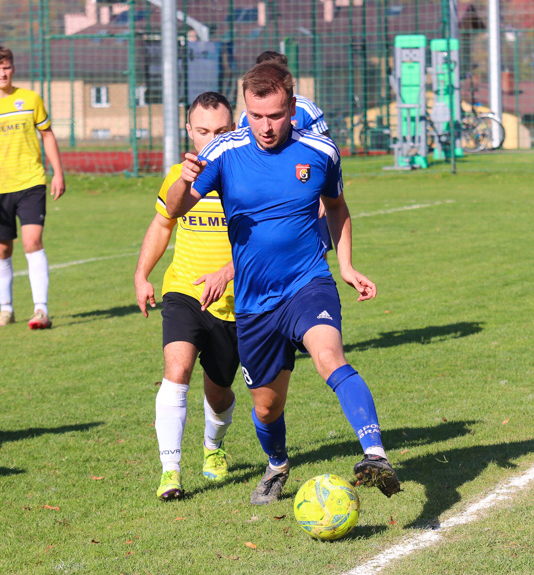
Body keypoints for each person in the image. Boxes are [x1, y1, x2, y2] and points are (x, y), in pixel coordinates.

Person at [165, 62, 401, 506]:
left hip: (308, 282)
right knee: (266, 408)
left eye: (274, 115)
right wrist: (184, 180)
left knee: (329, 356)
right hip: (254, 304)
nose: (266, 126)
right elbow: (174, 209)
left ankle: (375, 454)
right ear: (244, 110)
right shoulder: (223, 152)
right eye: (256, 116)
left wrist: (346, 266)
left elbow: (336, 207)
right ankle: (277, 464)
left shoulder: (320, 151)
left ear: (292, 108)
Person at [134, 92, 239, 500]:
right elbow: (163, 224)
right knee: (176, 373)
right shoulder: (180, 174)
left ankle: (213, 446)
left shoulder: (248, 175)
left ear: (235, 130)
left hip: (236, 302)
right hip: (184, 292)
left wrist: (229, 274)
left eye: (221, 131)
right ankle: (170, 472)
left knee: (220, 389)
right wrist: (142, 275)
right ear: (189, 131)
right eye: (203, 131)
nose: (211, 139)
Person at [0, 46, 65, 329]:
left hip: (31, 182)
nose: (2, 72)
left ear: (13, 68)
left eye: (6, 66)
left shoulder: (30, 99)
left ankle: (41, 310)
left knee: (32, 242)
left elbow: (47, 135)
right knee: (1, 250)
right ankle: (6, 309)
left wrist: (57, 172)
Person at [238, 51, 332, 257]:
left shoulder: (306, 107)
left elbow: (326, 153)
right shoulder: (247, 115)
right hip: (263, 193)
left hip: (304, 190)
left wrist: (324, 196)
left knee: (315, 250)